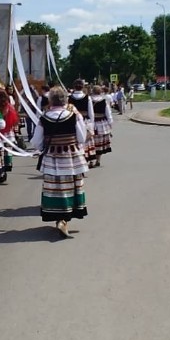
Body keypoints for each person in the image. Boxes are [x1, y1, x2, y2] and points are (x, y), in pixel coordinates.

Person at [29, 84, 88, 238]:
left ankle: (60, 219)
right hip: (71, 157)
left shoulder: (44, 117)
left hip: (52, 158)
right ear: (65, 100)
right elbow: (82, 138)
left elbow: (36, 141)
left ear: (50, 100)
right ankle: (64, 220)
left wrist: (45, 146)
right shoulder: (74, 116)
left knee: (55, 188)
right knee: (71, 186)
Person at [0, 87, 20, 177]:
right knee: (8, 148)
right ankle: (8, 163)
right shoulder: (8, 106)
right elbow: (14, 119)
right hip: (8, 131)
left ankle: (1, 167)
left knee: (0, 150)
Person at [69, 79, 95, 169]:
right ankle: (87, 159)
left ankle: (76, 160)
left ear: (74, 87)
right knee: (86, 141)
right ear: (83, 87)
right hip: (84, 121)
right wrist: (92, 125)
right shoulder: (87, 98)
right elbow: (91, 113)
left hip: (72, 121)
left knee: (75, 140)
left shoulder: (69, 97)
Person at [89, 84, 113, 166]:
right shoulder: (104, 101)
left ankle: (91, 161)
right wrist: (110, 125)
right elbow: (108, 114)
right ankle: (98, 160)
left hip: (92, 123)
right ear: (100, 92)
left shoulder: (89, 100)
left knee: (91, 143)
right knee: (99, 144)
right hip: (102, 124)